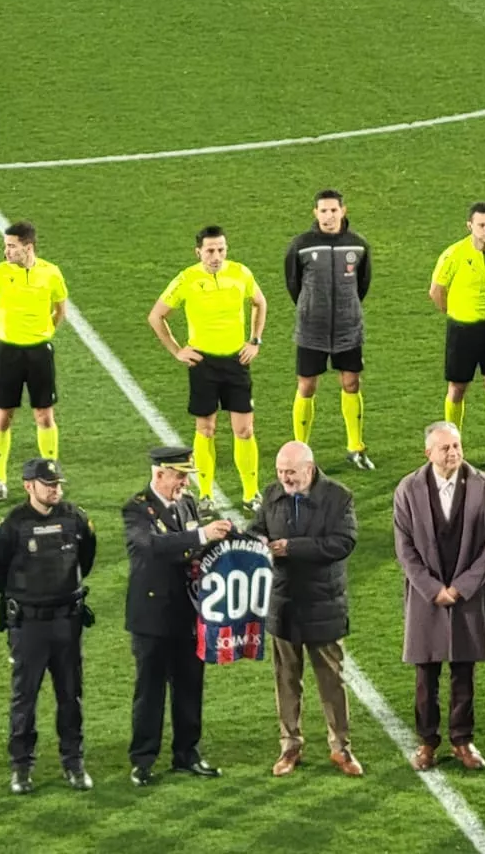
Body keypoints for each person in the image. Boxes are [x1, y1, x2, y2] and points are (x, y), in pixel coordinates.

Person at [392, 422, 485, 771]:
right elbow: (404, 548)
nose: (453, 453)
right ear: (429, 453)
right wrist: (432, 589)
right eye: (445, 448)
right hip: (427, 598)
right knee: (425, 675)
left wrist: (461, 587)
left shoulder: (484, 487)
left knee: (463, 672)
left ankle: (462, 740)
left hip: (466, 595)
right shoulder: (408, 490)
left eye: (456, 446)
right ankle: (427, 742)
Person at [248, 441, 363, 776]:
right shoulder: (271, 495)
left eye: (292, 472)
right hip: (283, 604)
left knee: (331, 681)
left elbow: (344, 542)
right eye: (281, 472)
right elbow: (257, 529)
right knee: (286, 679)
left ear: (309, 469)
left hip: (323, 603)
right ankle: (289, 746)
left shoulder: (338, 497)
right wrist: (256, 541)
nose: (285, 478)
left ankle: (341, 748)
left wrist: (292, 548)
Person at [0, 458, 97, 793]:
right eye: (49, 484)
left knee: (70, 695)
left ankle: (74, 763)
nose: (55, 490)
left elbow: (86, 558)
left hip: (67, 621)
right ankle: (21, 768)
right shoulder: (11, 526)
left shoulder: (74, 518)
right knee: (25, 699)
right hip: (29, 625)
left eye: (58, 484)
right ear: (28, 485)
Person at [123, 446, 234, 786]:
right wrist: (201, 535)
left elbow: (193, 549)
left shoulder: (185, 504)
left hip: (188, 612)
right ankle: (143, 760)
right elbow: (150, 546)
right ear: (160, 474)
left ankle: (187, 754)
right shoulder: (136, 509)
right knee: (150, 690)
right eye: (180, 476)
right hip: (152, 617)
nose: (185, 483)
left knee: (190, 687)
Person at [147, 225, 269, 513]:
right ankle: (205, 494)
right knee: (206, 428)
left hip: (236, 361)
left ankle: (251, 494)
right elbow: (156, 316)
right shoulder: (187, 279)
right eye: (211, 250)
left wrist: (255, 340)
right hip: (203, 364)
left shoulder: (240, 273)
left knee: (245, 430)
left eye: (221, 249)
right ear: (198, 251)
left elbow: (259, 302)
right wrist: (178, 350)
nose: (216, 256)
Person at [285, 189, 374, 470]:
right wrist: (311, 308)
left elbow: (362, 284)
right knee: (307, 385)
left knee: (351, 383)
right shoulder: (301, 245)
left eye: (333, 210)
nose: (328, 216)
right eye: (323, 211)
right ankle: (301, 452)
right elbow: (293, 284)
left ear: (343, 211)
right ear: (315, 213)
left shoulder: (358, 244)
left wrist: (347, 309)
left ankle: (355, 447)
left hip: (349, 327)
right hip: (312, 329)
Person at [0, 221, 68, 501]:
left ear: (28, 247)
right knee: (3, 417)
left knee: (44, 415)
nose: (6, 251)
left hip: (40, 352)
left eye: (11, 246)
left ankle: (51, 474)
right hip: (9, 353)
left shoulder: (51, 273)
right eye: (6, 246)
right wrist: (5, 339)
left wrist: (43, 334)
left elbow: (60, 309)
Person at [429, 203, 485, 469]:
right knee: (457, 388)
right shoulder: (453, 255)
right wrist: (456, 312)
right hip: (462, 330)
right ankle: (449, 447)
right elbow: (436, 291)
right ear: (470, 226)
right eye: (482, 225)